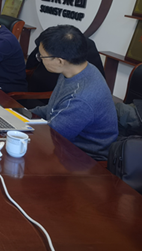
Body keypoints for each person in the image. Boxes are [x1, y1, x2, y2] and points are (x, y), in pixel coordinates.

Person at [30, 25, 118, 160]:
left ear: (60, 61)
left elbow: (51, 137)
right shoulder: (79, 69)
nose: (40, 59)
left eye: (42, 56)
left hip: (84, 159)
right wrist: (22, 114)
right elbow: (54, 108)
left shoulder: (81, 99)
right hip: (62, 141)